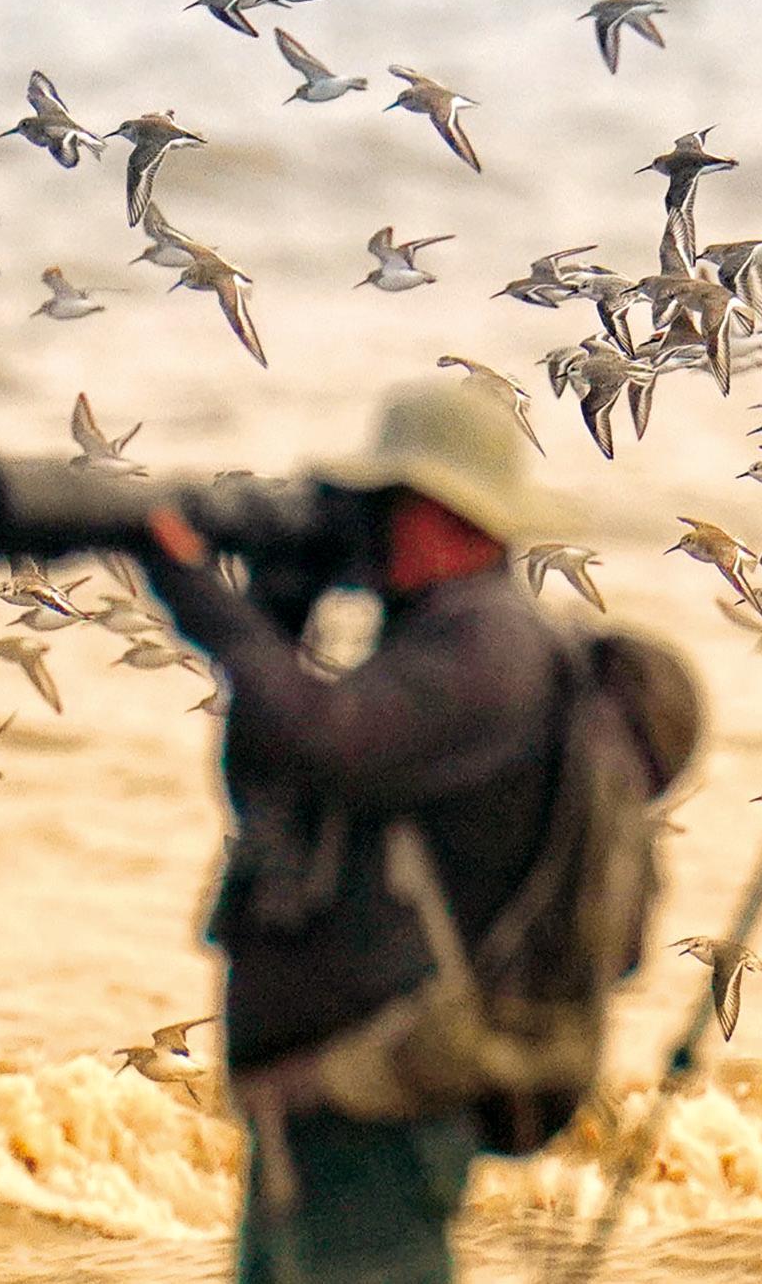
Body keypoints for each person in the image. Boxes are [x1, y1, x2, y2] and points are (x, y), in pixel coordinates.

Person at [141, 373, 691, 1284]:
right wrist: (281, 606)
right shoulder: (435, 643)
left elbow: (328, 740)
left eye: (380, 505)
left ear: (442, 514)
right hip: (331, 1094)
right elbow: (270, 785)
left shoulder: (488, 649)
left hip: (387, 1094)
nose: (362, 527)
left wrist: (197, 595)